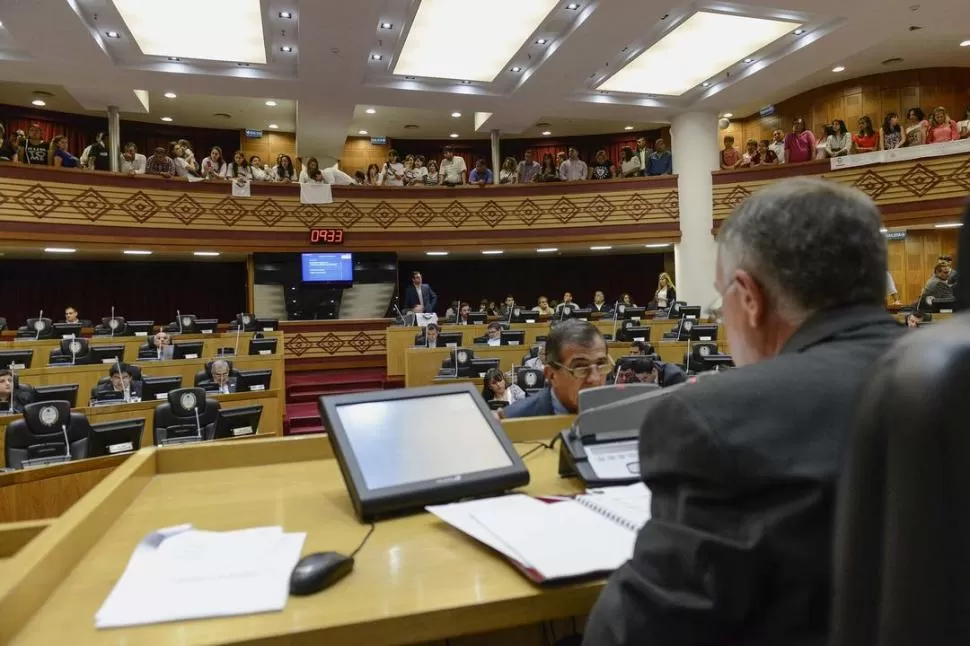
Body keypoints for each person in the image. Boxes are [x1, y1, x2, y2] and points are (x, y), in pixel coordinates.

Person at [583, 177, 901, 646]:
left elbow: (634, 634)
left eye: (721, 299)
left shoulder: (715, 417)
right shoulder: (946, 377)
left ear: (749, 298)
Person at [503, 319, 611, 419]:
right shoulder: (513, 420)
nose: (595, 378)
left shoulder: (622, 413)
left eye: (601, 364)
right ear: (551, 375)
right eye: (580, 367)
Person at [613, 354, 685, 388]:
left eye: (645, 378)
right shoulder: (649, 371)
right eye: (640, 379)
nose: (643, 382)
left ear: (653, 371)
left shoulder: (674, 377)